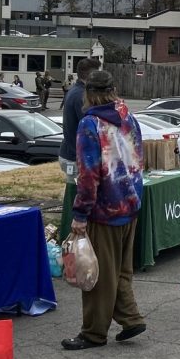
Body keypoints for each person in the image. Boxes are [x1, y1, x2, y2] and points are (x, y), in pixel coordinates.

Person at [62, 70, 147, 350]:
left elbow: (89, 175)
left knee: (97, 275)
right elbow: (138, 158)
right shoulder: (128, 115)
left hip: (105, 208)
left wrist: (80, 215)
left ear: (88, 92)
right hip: (130, 201)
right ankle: (130, 317)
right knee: (121, 270)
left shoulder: (90, 124)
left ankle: (93, 333)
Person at [57, 57, 101, 241]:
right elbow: (91, 129)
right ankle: (75, 244)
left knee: (76, 199)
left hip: (71, 155)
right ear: (91, 75)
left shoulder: (76, 92)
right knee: (78, 202)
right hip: (75, 158)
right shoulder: (80, 96)